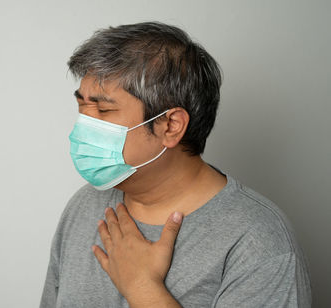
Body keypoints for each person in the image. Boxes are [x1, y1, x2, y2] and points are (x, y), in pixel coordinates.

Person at [40, 21, 312, 307]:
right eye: (82, 106)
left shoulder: (258, 241)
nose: (84, 125)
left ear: (170, 125)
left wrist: (144, 289)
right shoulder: (85, 205)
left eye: (104, 109)